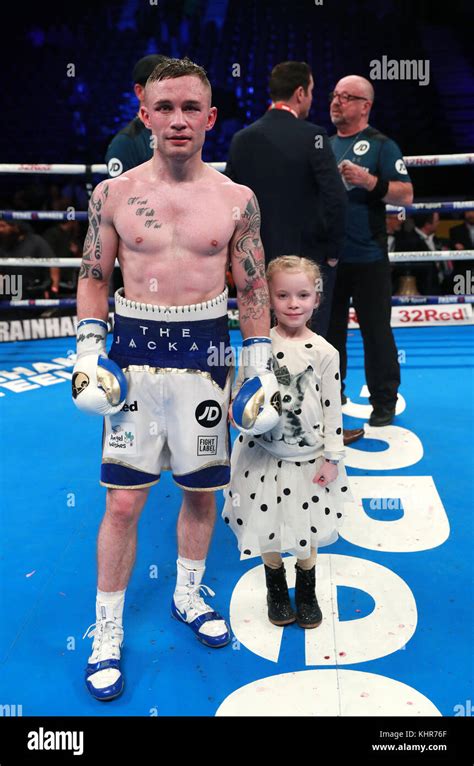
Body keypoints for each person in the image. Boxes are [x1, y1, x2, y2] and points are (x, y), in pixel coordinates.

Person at [73, 57, 281, 701]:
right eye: (164, 107)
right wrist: (88, 349)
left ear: (211, 117)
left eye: (191, 107)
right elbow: (93, 274)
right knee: (123, 500)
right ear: (144, 113)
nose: (178, 119)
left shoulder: (237, 200)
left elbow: (250, 285)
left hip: (206, 359)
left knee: (200, 492)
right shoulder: (112, 193)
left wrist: (258, 365)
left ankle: (189, 594)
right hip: (133, 358)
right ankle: (105, 630)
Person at [225, 61, 362, 446]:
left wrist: (235, 262)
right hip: (306, 267)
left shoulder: (242, 139)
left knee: (261, 341)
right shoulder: (313, 137)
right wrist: (333, 253)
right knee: (311, 344)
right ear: (301, 93)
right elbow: (337, 200)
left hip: (256, 266)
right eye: (313, 92)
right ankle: (318, 431)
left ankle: (262, 419)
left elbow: (231, 204)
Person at [222, 256, 352, 629]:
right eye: (283, 295)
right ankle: (276, 589)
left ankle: (306, 590)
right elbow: (242, 397)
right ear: (269, 298)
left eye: (302, 295)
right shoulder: (255, 349)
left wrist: (333, 456)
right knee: (268, 525)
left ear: (317, 298)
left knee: (308, 527)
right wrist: (236, 412)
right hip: (263, 457)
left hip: (309, 460)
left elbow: (331, 409)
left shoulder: (326, 352)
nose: (293, 303)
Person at [327, 75, 414, 427]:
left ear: (365, 105)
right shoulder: (323, 144)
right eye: (334, 96)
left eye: (346, 97)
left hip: (369, 257)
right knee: (328, 334)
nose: (336, 102)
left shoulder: (382, 145)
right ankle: (331, 397)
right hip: (330, 258)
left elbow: (405, 195)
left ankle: (383, 400)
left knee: (376, 331)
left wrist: (369, 182)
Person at [105, 54, 170, 179]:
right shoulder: (125, 142)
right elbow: (119, 195)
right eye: (160, 85)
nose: (168, 92)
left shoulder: (177, 133)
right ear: (140, 92)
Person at [395, 212, 448, 295]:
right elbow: (406, 269)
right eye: (437, 221)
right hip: (419, 292)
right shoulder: (408, 241)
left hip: (440, 289)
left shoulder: (436, 239)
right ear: (427, 224)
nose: (439, 223)